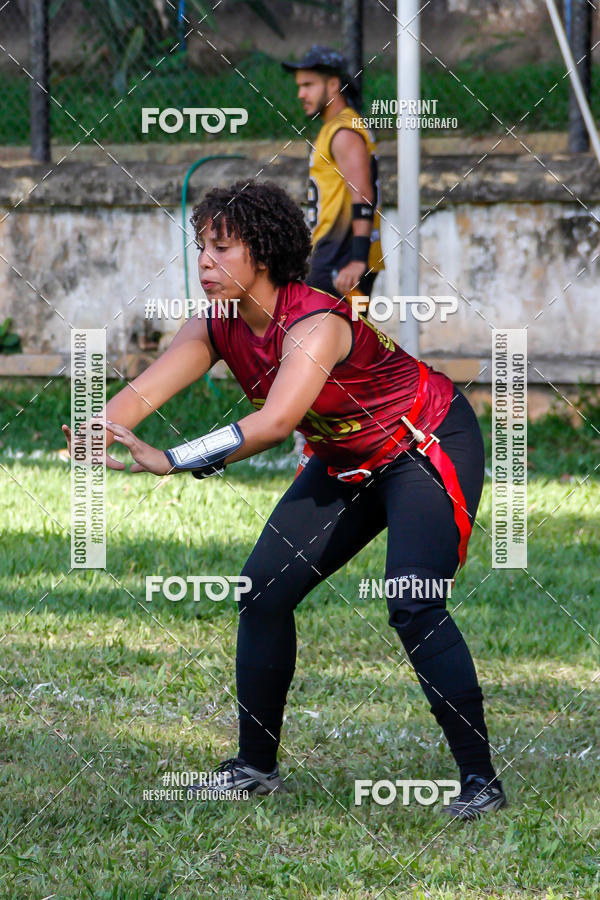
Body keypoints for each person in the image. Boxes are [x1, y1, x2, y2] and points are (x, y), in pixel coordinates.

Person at [62, 181, 507, 821]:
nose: (204, 263)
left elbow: (273, 423)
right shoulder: (215, 324)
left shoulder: (317, 322)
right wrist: (99, 427)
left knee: (413, 604)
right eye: (200, 248)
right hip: (347, 457)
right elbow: (143, 392)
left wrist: (169, 459)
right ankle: (254, 768)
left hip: (424, 442)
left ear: (263, 255)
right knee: (261, 590)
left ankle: (480, 780)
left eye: (222, 248)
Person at [281, 45, 384, 305]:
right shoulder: (335, 128)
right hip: (331, 258)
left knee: (327, 341)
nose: (300, 94)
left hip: (341, 263)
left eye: (308, 85)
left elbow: (362, 197)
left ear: (333, 85)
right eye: (298, 86)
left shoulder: (344, 132)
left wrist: (358, 261)